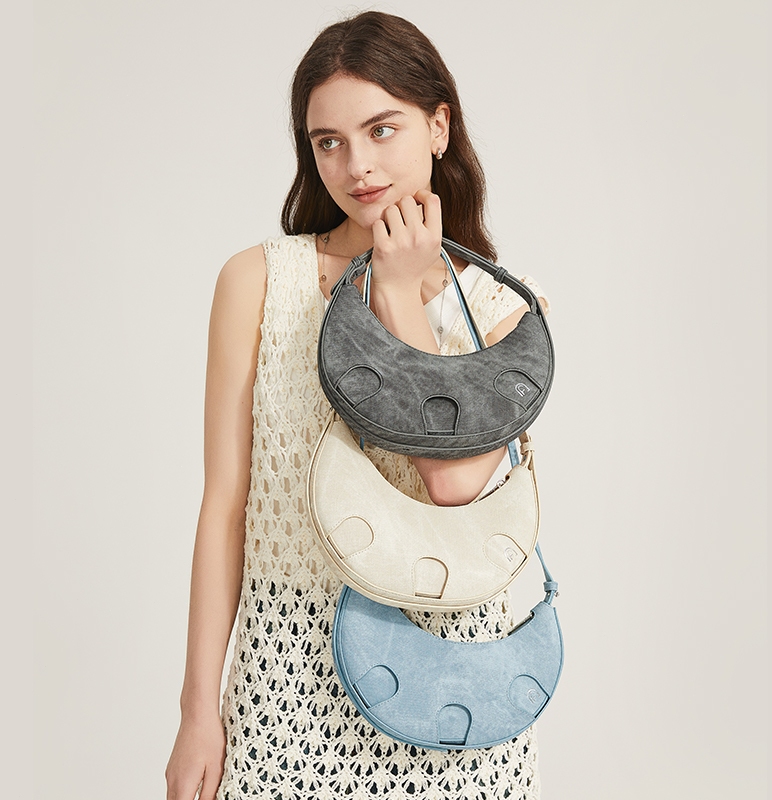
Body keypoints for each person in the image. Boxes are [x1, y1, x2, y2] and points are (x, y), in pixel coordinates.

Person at [166, 11, 550, 800]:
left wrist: (400, 294)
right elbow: (225, 506)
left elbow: (453, 483)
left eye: (381, 130)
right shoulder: (258, 282)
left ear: (438, 126)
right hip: (286, 679)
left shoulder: (504, 310)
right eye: (328, 142)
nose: (357, 165)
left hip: (454, 683)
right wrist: (198, 711)